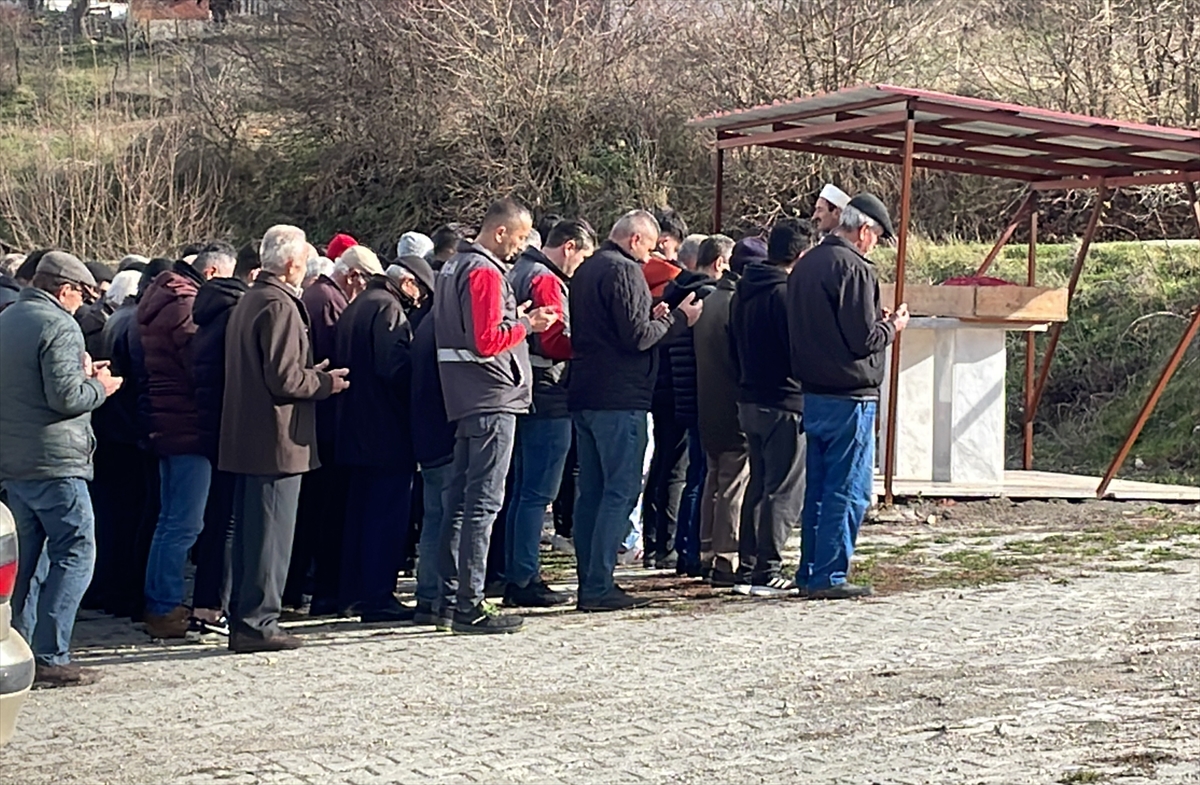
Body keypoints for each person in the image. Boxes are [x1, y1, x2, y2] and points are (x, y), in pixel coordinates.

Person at [219, 225, 350, 652]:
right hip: (275, 439)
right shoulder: (278, 305)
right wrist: (324, 382)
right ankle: (259, 622)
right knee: (269, 537)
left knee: (254, 536)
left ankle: (249, 617)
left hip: (251, 435)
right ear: (293, 264)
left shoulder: (251, 299)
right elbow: (284, 377)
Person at [433, 198, 558, 634]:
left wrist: (515, 318)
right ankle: (470, 603)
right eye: (520, 237)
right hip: (491, 394)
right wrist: (529, 325)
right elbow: (487, 340)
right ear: (500, 231)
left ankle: (446, 599)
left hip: (465, 393)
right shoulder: (484, 270)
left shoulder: (453, 267)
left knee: (459, 501)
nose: (521, 247)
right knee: (482, 502)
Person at [568, 210, 702, 612]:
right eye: (648, 246)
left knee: (590, 492)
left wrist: (653, 316)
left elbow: (619, 326)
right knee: (621, 488)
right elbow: (638, 337)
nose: (650, 257)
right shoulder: (625, 271)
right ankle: (598, 582)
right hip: (620, 397)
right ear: (634, 240)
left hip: (586, 392)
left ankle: (588, 577)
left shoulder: (587, 269)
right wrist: (679, 319)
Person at [0, 252, 122, 687]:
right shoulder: (59, 324)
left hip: (15, 460)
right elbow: (66, 399)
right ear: (64, 289)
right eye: (80, 294)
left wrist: (81, 374)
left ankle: (23, 645)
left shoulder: (9, 318)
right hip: (55, 461)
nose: (81, 302)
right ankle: (52, 652)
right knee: (77, 549)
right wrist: (99, 386)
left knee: (29, 560)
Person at [789, 194, 909, 600]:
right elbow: (863, 339)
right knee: (849, 489)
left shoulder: (806, 265)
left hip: (813, 391)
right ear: (862, 231)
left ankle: (809, 570)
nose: (874, 243)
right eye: (875, 235)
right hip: (850, 394)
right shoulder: (854, 269)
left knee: (818, 489)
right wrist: (893, 327)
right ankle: (830, 574)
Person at [137, 246, 237, 638]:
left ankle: (162, 601)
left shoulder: (162, 297)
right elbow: (201, 363)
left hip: (167, 421)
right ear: (212, 272)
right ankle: (163, 605)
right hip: (187, 425)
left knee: (172, 521)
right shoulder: (184, 304)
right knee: (183, 523)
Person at [502, 219, 595, 607]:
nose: (580, 267)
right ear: (569, 246)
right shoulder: (545, 280)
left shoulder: (518, 270)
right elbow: (553, 339)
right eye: (582, 257)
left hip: (523, 385)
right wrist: (590, 345)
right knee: (537, 492)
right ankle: (524, 576)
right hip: (550, 389)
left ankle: (511, 570)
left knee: (521, 489)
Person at [287, 244, 383, 613]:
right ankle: (312, 590)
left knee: (315, 513)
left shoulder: (320, 295)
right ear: (353, 276)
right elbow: (331, 359)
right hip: (326, 420)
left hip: (323, 421)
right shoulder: (327, 299)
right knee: (322, 513)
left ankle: (300, 588)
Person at [731, 219, 811, 598]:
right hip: (784, 400)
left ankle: (747, 565)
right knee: (784, 488)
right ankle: (769, 568)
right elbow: (797, 351)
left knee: (758, 484)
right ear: (801, 254)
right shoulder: (787, 295)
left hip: (749, 397)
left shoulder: (742, 291)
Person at [334, 269, 416, 621]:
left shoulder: (357, 306)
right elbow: (393, 367)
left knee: (360, 515)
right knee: (386, 516)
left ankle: (353, 592)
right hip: (385, 431)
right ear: (407, 282)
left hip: (354, 427)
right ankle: (378, 595)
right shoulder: (388, 309)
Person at [188, 248, 259, 640]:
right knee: (230, 521)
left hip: (209, 423)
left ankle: (206, 603)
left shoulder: (207, 315)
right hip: (232, 427)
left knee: (216, 519)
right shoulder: (236, 315)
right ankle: (217, 605)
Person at [689, 235, 747, 586]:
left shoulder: (708, 302)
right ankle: (727, 558)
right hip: (731, 403)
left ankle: (707, 549)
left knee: (714, 479)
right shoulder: (732, 305)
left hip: (707, 402)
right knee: (733, 483)